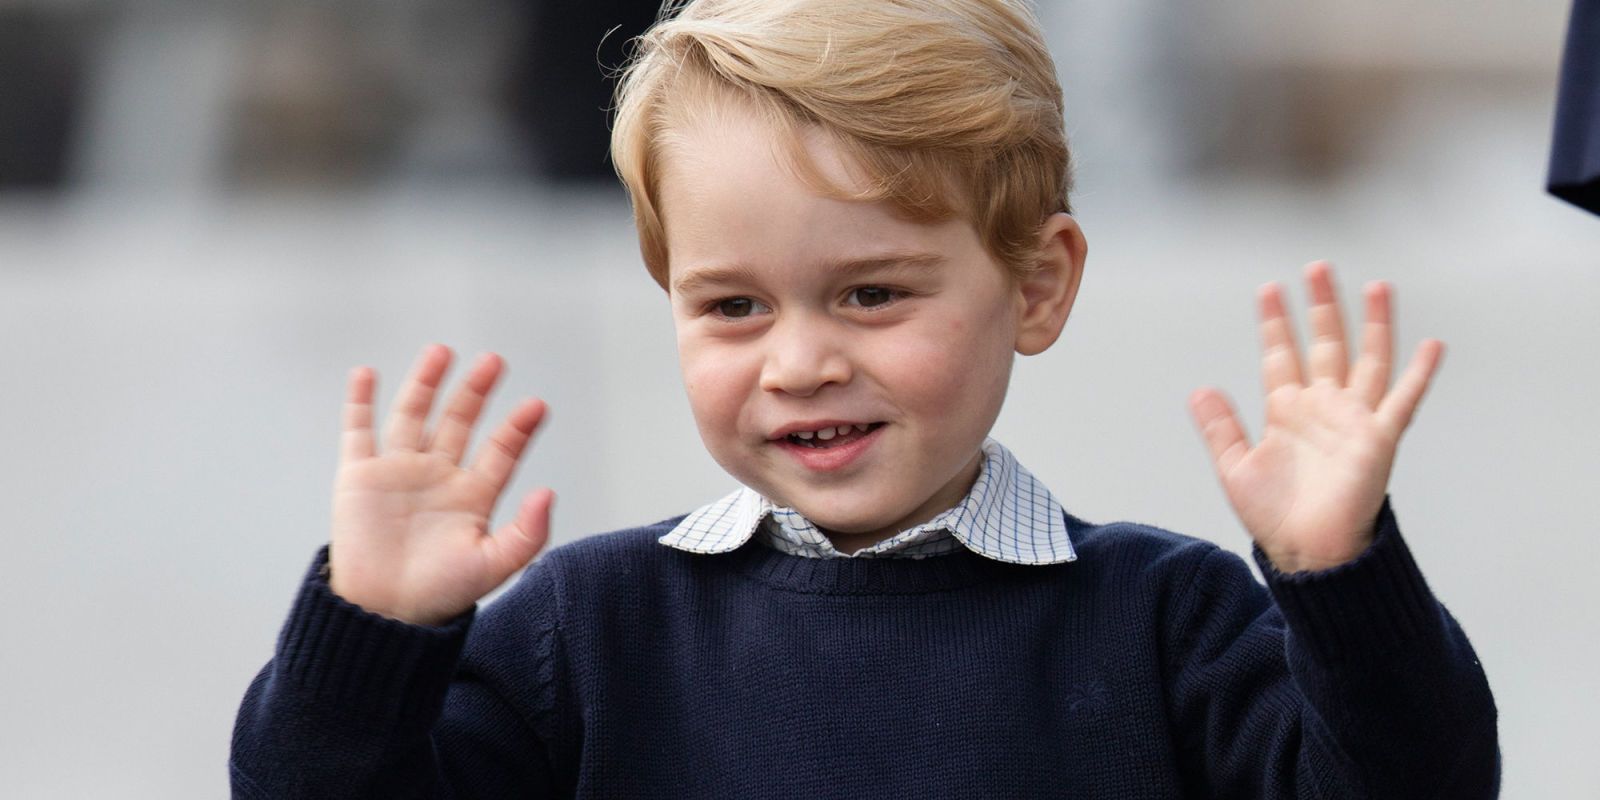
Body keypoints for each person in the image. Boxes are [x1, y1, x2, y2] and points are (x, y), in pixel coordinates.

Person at [229, 1, 1500, 797]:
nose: (798, 363)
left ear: (1037, 283)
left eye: (871, 294)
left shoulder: (1167, 618)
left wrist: (1340, 577)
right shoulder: (588, 628)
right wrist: (370, 632)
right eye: (732, 306)